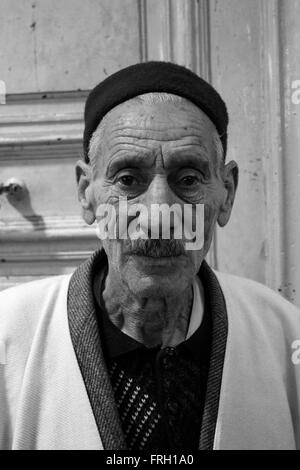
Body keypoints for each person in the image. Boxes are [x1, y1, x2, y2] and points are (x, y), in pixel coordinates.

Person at [0, 62, 300, 451]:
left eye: (188, 179)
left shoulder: (283, 336)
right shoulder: (8, 336)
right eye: (127, 180)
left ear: (226, 192)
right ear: (86, 193)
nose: (159, 215)